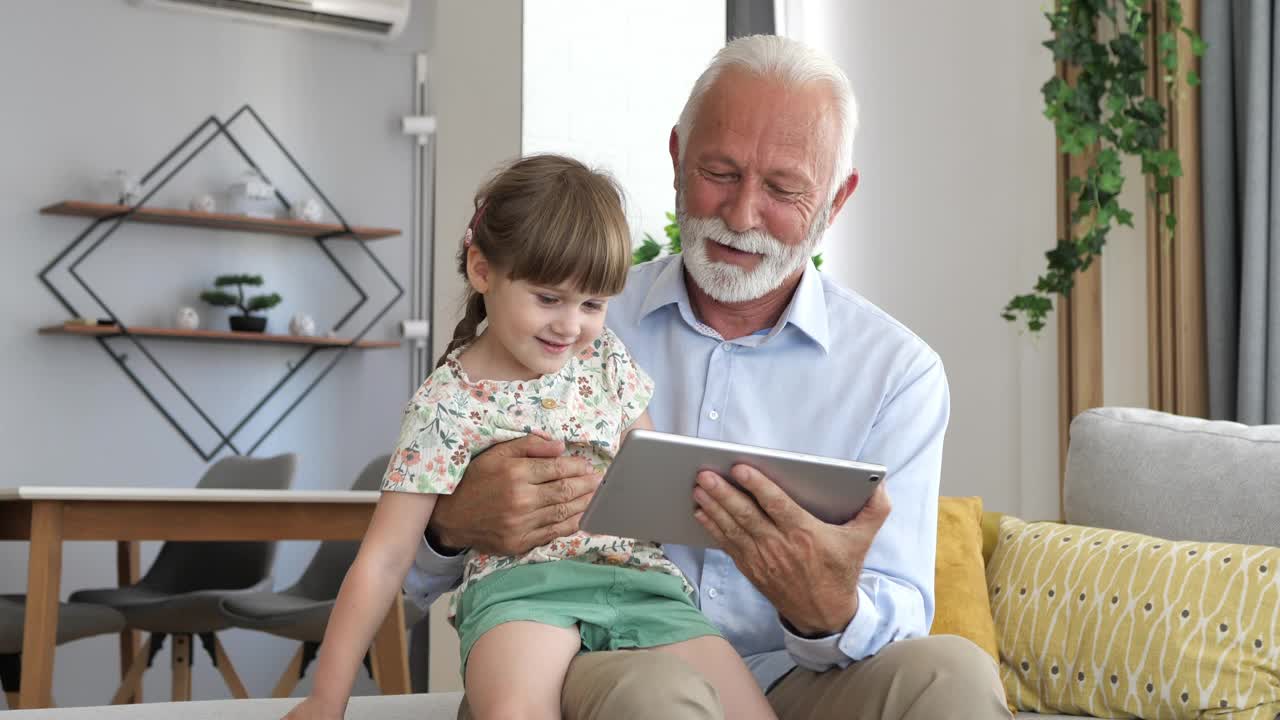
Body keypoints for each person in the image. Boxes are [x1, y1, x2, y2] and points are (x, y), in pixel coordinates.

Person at [406, 35, 1013, 720]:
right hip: (598, 659)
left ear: (836, 200)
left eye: (784, 188)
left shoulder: (897, 372)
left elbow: (900, 614)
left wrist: (829, 608)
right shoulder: (567, 319)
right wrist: (452, 525)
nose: (742, 213)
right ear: (675, 158)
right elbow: (406, 575)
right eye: (720, 173)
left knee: (952, 676)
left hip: (798, 677)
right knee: (664, 695)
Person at [282, 155, 776, 720]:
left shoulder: (606, 360)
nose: (571, 325)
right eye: (548, 298)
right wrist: (327, 698)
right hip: (522, 594)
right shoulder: (447, 402)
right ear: (482, 270)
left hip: (642, 587)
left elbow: (656, 477)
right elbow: (384, 558)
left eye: (592, 304)